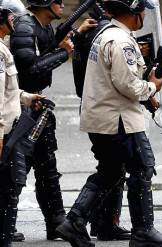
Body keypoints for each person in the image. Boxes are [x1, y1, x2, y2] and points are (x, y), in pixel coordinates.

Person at [56, 0, 162, 246]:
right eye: (142, 12)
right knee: (143, 167)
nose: (144, 16)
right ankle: (143, 230)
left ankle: (74, 222)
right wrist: (153, 86)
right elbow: (128, 85)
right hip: (118, 120)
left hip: (104, 117)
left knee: (111, 170)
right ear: (134, 14)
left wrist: (155, 76)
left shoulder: (107, 34)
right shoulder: (122, 41)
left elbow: (120, 77)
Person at [8, 0, 93, 241]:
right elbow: (30, 69)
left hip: (39, 107)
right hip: (22, 108)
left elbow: (50, 44)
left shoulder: (42, 26)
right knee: (16, 170)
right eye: (57, 1)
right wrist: (64, 52)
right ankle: (5, 222)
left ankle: (55, 221)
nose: (62, 4)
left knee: (47, 168)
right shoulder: (25, 26)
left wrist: (76, 33)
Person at [71, 1, 131, 241]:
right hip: (105, 106)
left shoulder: (89, 32)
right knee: (113, 166)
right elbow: (120, 78)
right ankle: (79, 219)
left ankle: (103, 223)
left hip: (94, 102)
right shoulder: (106, 33)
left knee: (113, 166)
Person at [0, 1, 44, 245]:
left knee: (10, 188)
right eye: (12, 17)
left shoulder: (3, 49)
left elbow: (8, 91)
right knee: (7, 191)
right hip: (4, 135)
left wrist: (27, 98)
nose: (16, 22)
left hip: (9, 132)